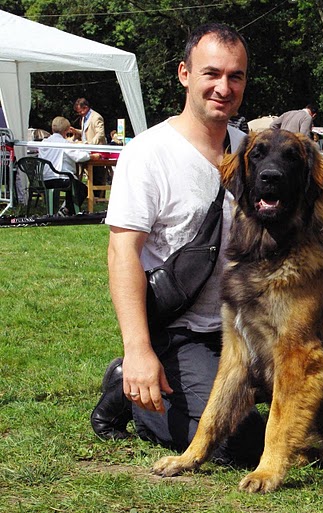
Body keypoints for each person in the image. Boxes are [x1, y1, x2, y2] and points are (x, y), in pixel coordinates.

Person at [90, 23, 265, 462]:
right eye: (212, 74)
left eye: (236, 76)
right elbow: (122, 252)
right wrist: (138, 349)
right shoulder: (149, 153)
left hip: (246, 327)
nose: (224, 87)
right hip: (179, 329)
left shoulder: (254, 151)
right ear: (185, 74)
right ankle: (130, 388)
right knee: (238, 442)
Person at [37, 116, 91, 215]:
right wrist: (90, 155)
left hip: (44, 179)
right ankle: (66, 210)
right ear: (66, 130)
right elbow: (78, 157)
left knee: (75, 184)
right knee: (82, 189)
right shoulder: (64, 143)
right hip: (59, 179)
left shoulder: (44, 143)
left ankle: (65, 209)